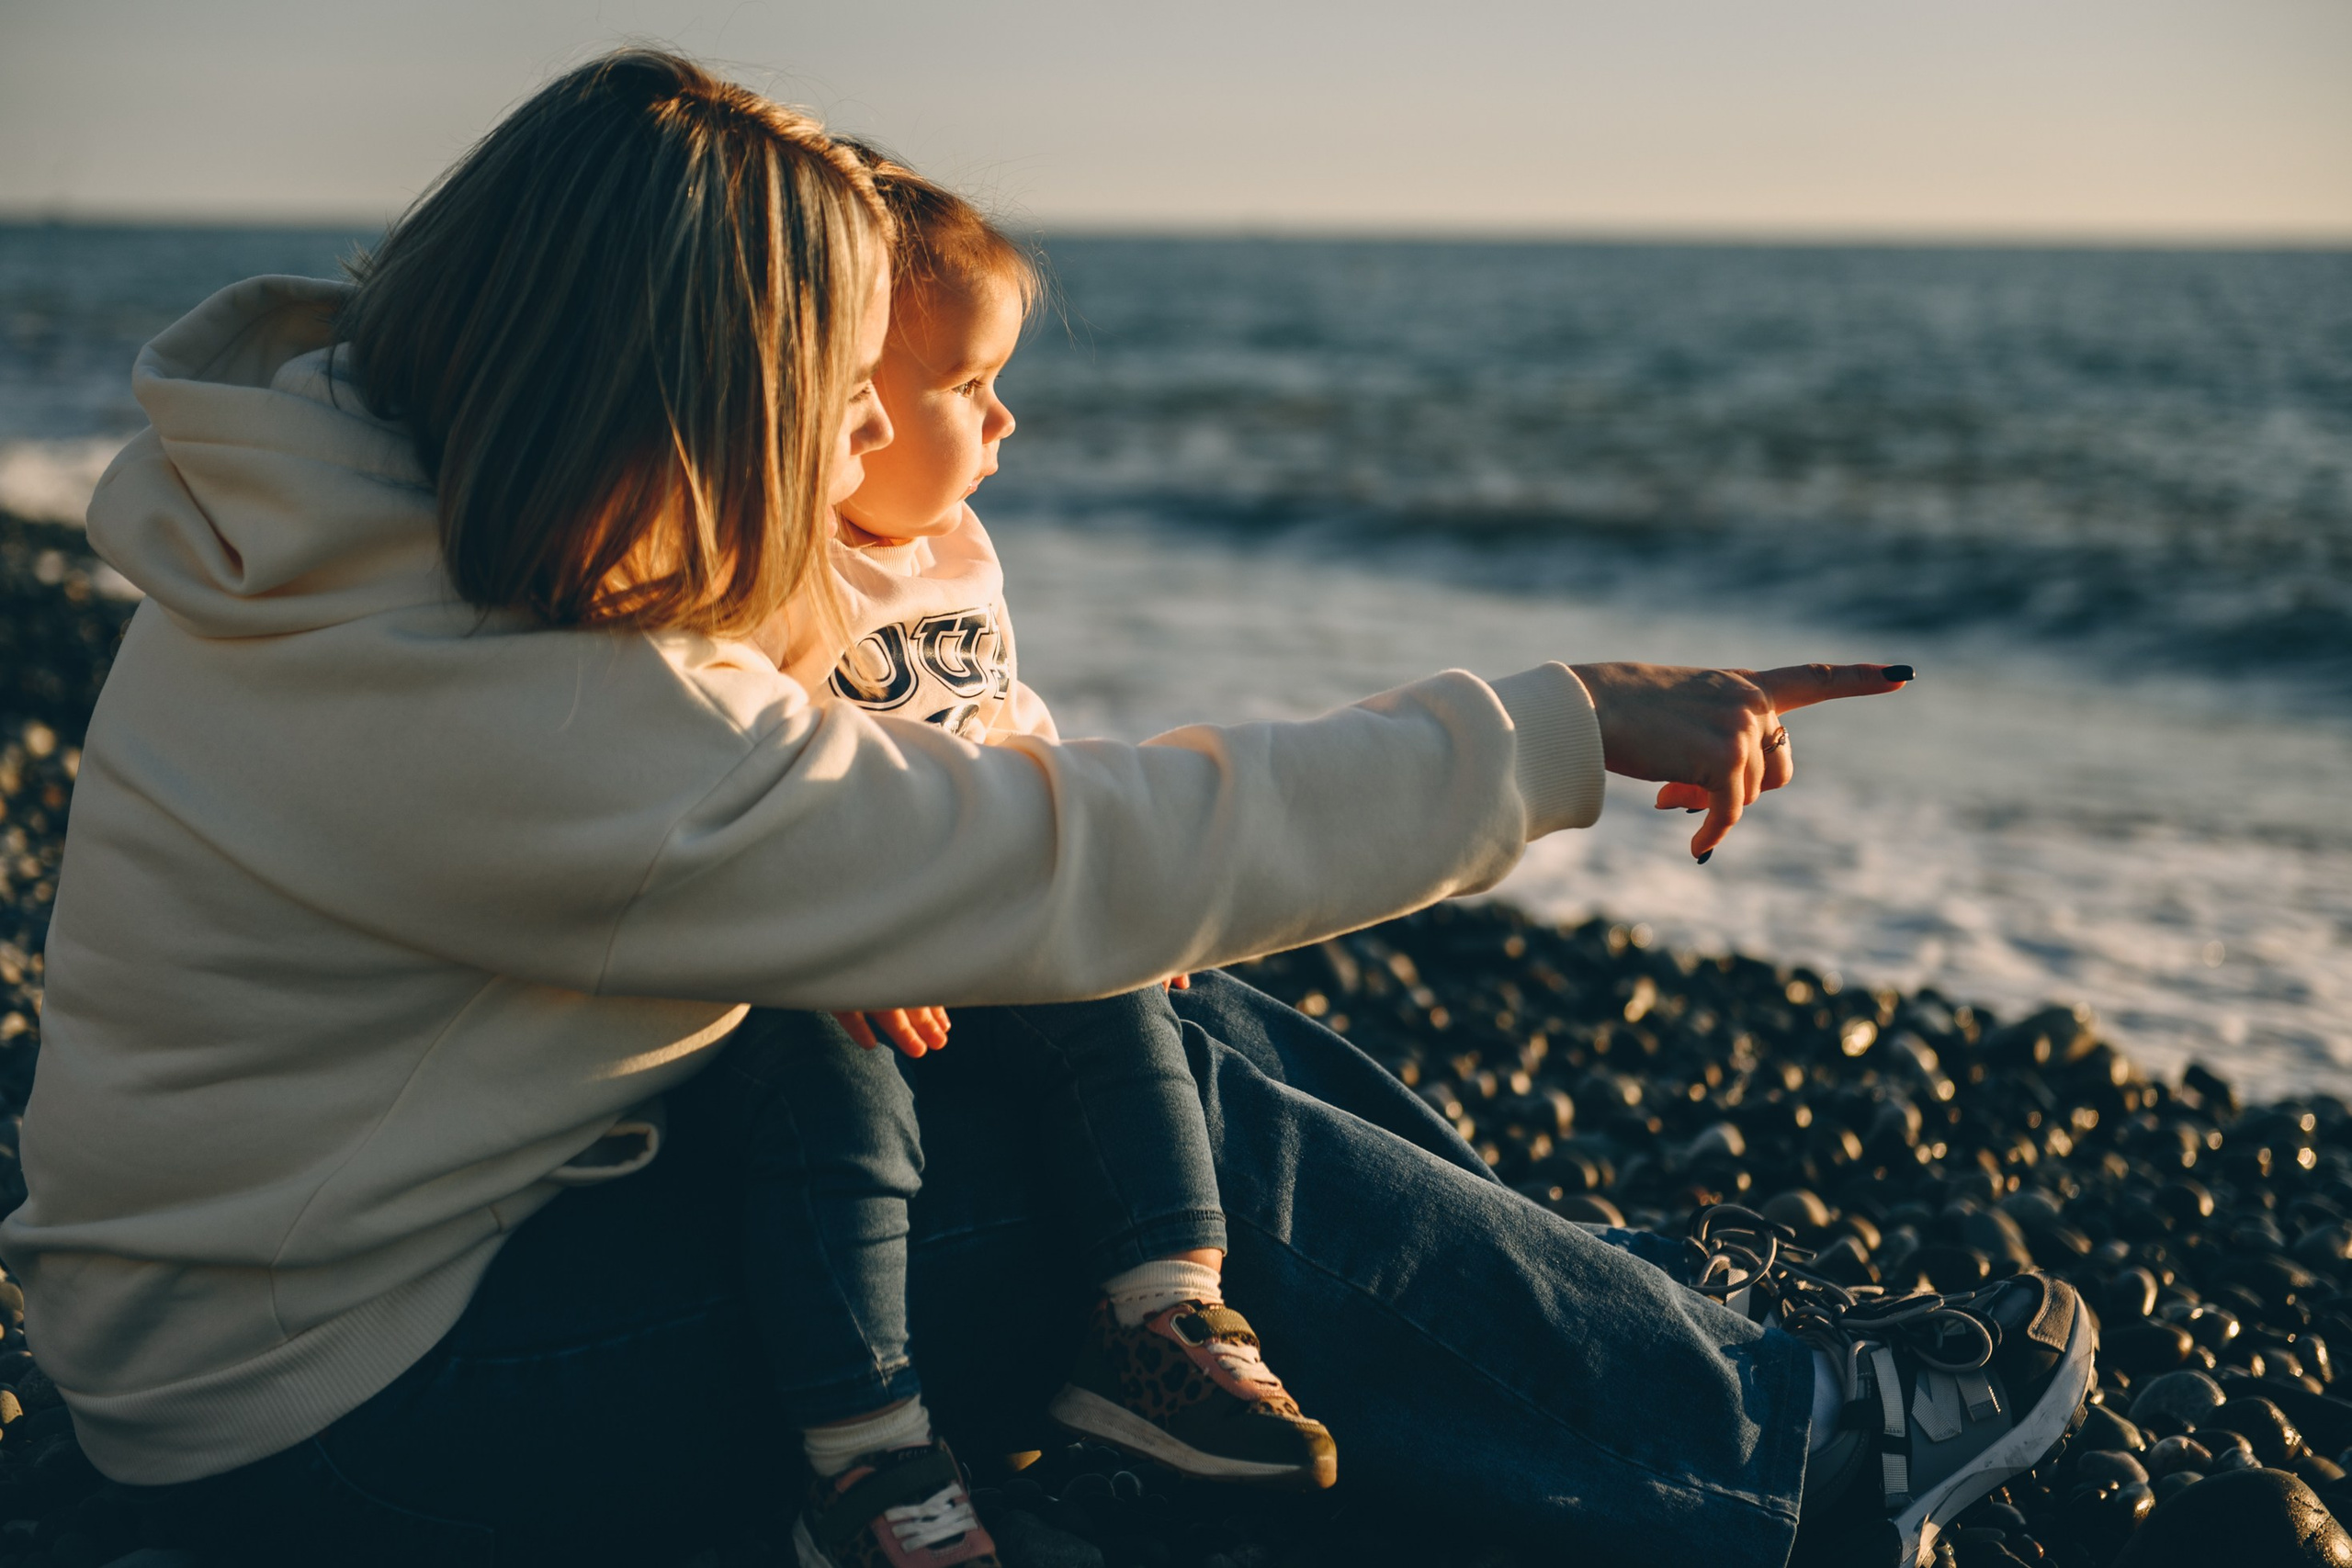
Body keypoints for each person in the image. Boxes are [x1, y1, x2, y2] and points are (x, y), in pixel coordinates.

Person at [0, 49, 2092, 1568]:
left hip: (312, 1289)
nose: (848, 456)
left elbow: (986, 865)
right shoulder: (494, 705)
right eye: (825, 400)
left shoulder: (377, 517)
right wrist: (1555, 728)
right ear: (682, 390)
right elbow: (1072, 853)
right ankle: (1786, 1459)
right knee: (1162, 1122)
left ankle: (1566, 1329)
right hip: (341, 1419)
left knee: (1164, 1035)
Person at [749, 142, 1337, 1560]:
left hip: (986, 904)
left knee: (1121, 1001)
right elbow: (743, 774)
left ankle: (1160, 1318)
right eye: (962, 385)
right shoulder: (767, 562)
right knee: (834, 1119)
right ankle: (866, 1456)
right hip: (844, 953)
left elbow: (1009, 722)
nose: (1002, 420)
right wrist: (836, 935)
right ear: (836, 399)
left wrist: (1120, 880)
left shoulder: (951, 546)